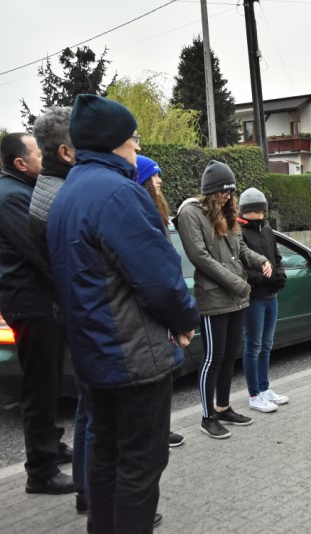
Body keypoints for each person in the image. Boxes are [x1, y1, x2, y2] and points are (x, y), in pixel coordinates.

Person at [47, 94, 199, 534]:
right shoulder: (118, 194)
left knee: (106, 455)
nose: (138, 146)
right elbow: (159, 278)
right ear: (113, 140)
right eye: (134, 138)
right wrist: (184, 321)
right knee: (140, 464)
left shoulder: (69, 192)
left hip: (94, 354)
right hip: (133, 357)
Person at [0, 132, 74, 496]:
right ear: (20, 163)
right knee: (38, 387)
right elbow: (40, 251)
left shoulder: (17, 190)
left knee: (49, 381)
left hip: (38, 302)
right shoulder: (10, 197)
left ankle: (51, 446)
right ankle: (40, 471)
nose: (44, 158)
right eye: (37, 153)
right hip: (31, 304)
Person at [174, 161, 272, 439]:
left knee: (230, 356)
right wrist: (239, 284)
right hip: (214, 299)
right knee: (212, 359)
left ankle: (224, 407)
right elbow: (200, 257)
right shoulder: (190, 214)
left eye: (231, 192)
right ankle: (207, 417)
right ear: (211, 191)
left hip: (236, 298)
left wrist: (260, 259)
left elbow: (240, 248)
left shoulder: (228, 213)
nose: (228, 197)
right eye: (223, 192)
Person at [27, 106, 92, 514]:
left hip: (75, 314)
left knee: (91, 408)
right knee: (96, 411)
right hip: (85, 319)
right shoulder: (62, 198)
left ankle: (92, 493)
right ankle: (96, 498)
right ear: (67, 152)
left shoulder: (52, 189)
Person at [134, 155, 187, 449]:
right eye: (154, 176)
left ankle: (160, 429)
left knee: (165, 373)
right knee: (153, 376)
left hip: (162, 310)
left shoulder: (157, 213)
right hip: (152, 313)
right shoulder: (142, 215)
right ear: (142, 180)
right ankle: (152, 434)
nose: (160, 180)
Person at [238, 187, 289, 413]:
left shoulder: (267, 230)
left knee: (267, 344)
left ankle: (264, 388)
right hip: (254, 299)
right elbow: (243, 268)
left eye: (262, 211)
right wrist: (264, 280)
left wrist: (280, 276)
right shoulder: (239, 233)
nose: (260, 215)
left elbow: (277, 258)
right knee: (253, 346)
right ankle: (254, 395)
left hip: (271, 296)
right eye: (256, 211)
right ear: (245, 211)